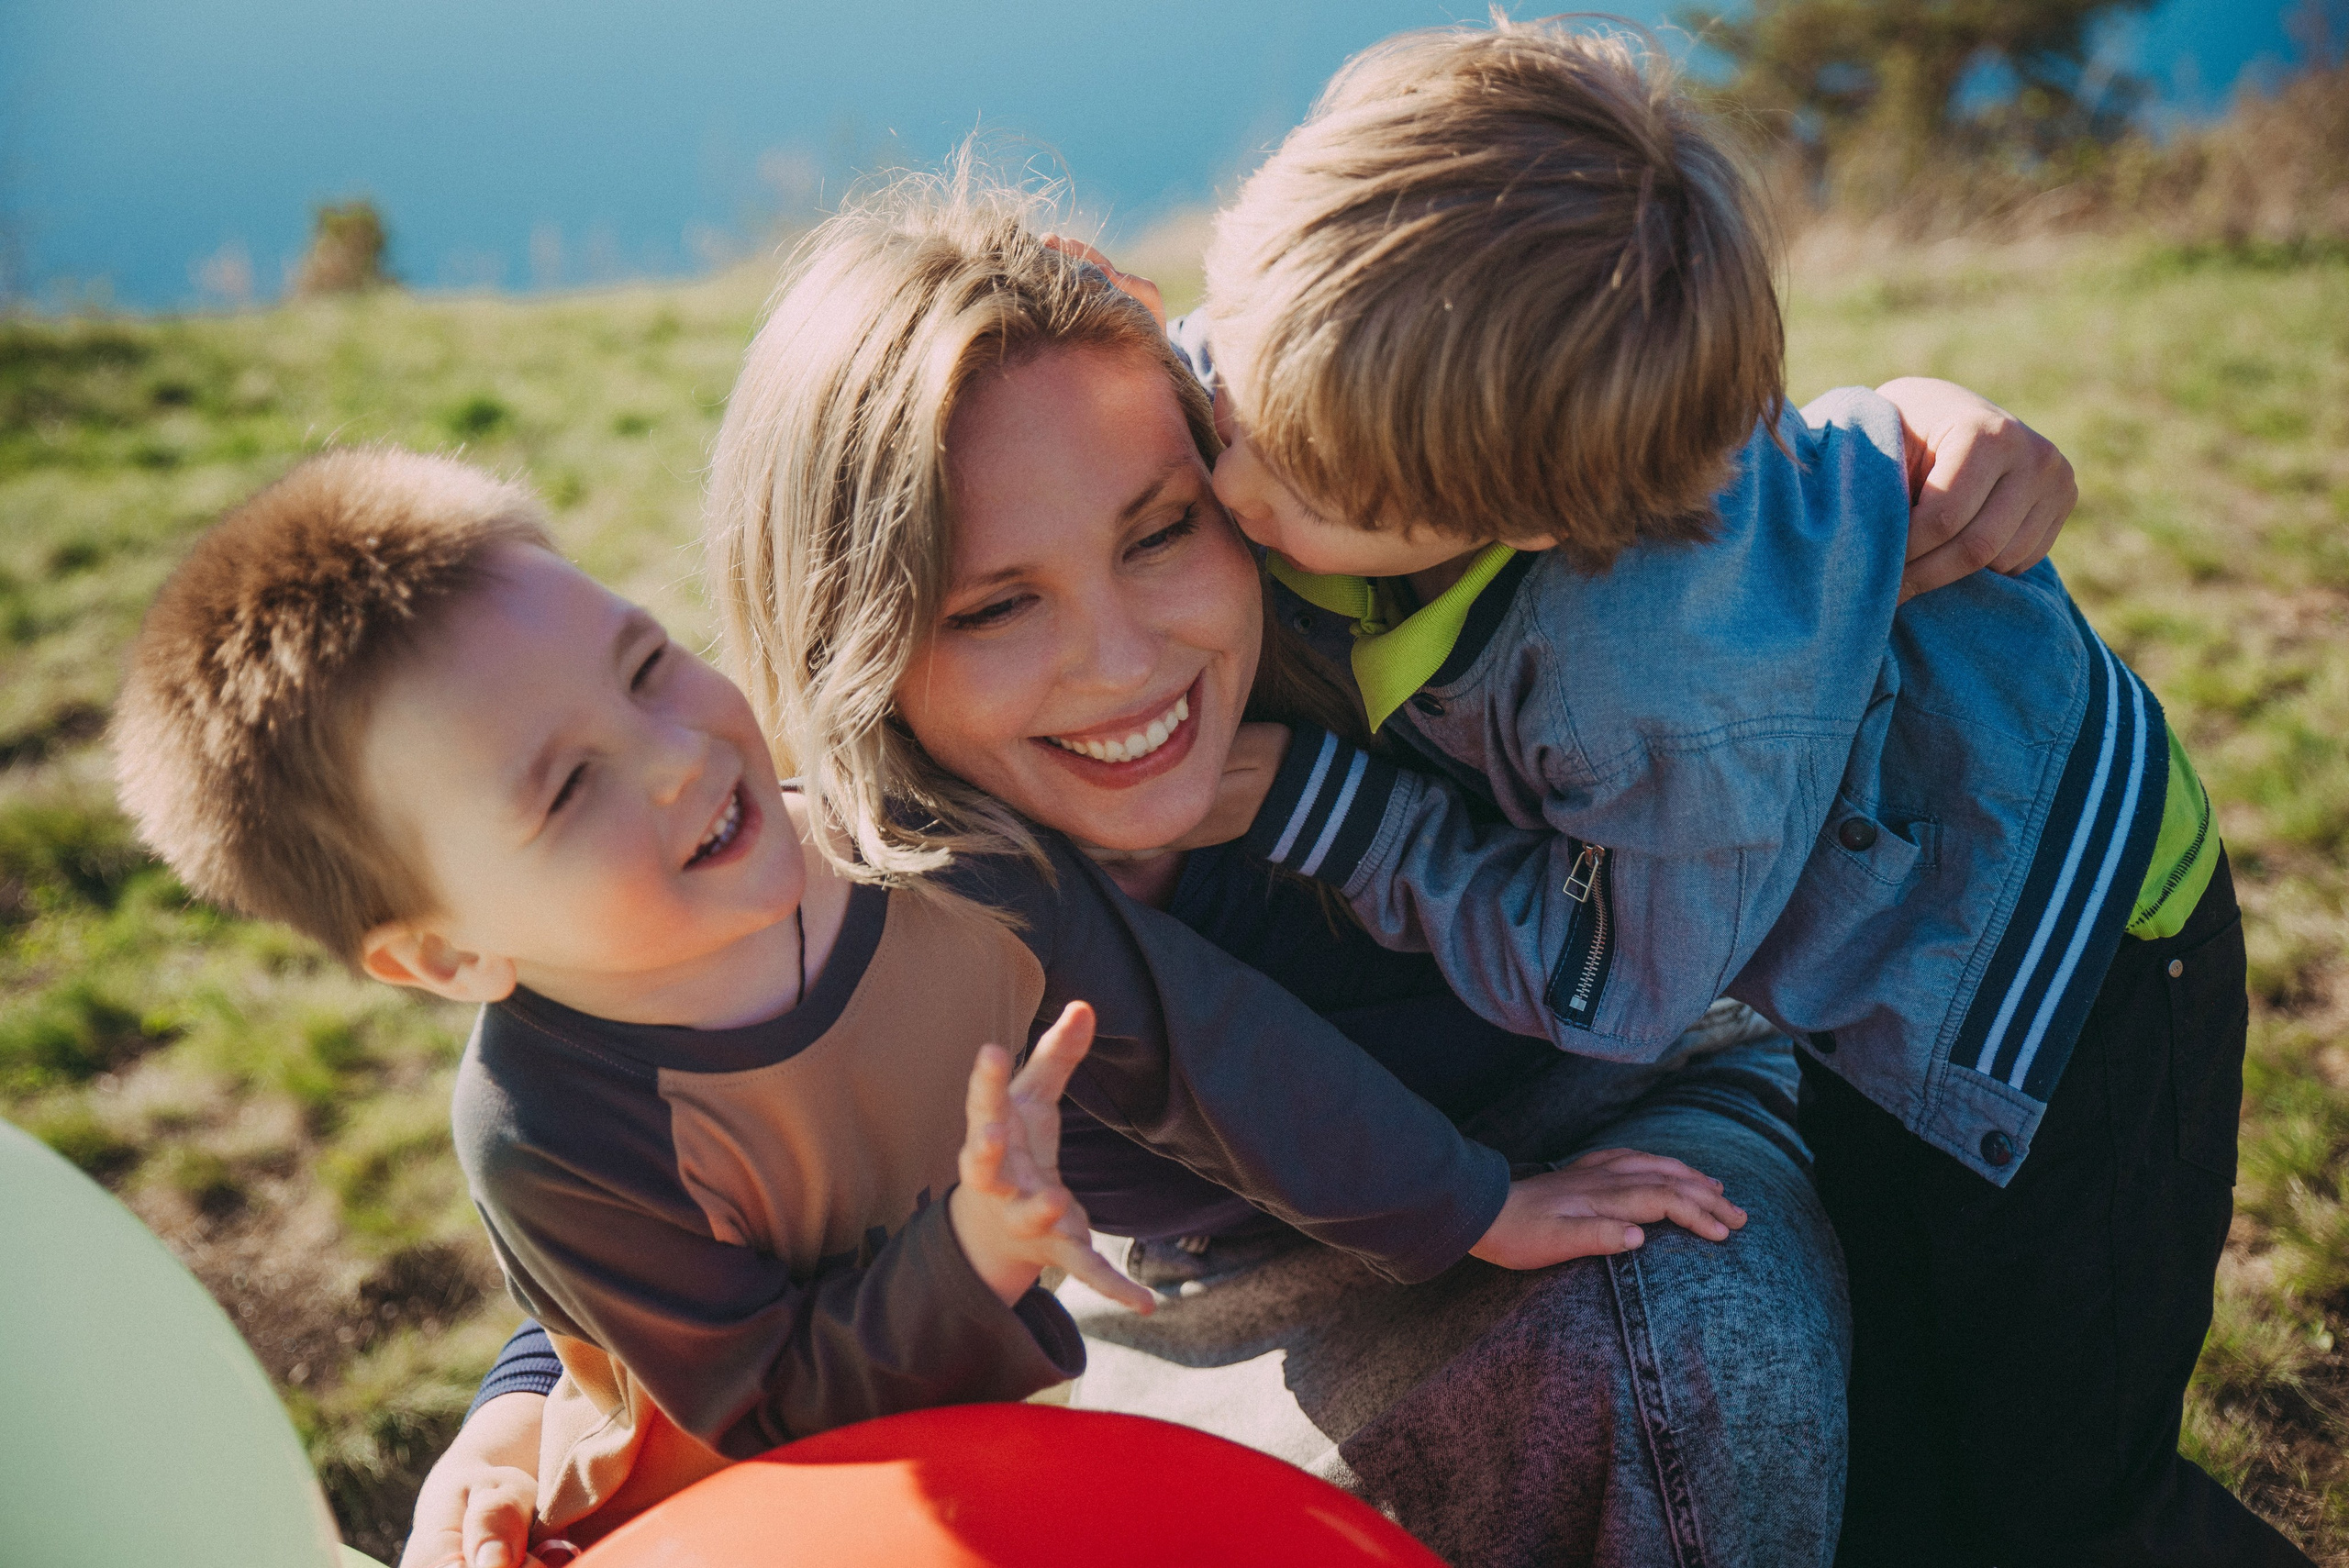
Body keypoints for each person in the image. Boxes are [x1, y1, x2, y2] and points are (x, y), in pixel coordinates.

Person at [406, 170, 2081, 1568]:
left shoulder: (1390, 634)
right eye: (994, 606)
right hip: (1176, 1306)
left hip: (1607, 1138)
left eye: (1159, 530)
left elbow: (1641, 451)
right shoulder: (873, 871)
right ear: (855, 644)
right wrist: (520, 1394)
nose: (1124, 662)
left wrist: (1894, 439)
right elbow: (662, 1176)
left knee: (1686, 1359)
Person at [106, 449, 1741, 1552]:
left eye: (645, 662)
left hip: (987, 1434)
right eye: (563, 788)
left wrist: (1475, 1207)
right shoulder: (547, 1127)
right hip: (723, 1503)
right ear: (448, 954)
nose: (681, 753)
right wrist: (967, 1256)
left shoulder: (945, 867)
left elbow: (1205, 1050)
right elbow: (746, 1402)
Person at [1187, 18, 2295, 1567]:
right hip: (1847, 906)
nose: (1231, 487)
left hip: (2049, 961)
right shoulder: (1372, 365)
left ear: (1520, 513)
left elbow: (1617, 976)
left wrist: (1318, 807)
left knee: (2051, 1491)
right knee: (1889, 1429)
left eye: (1315, 494)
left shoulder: (1643, 694)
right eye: (1238, 390)